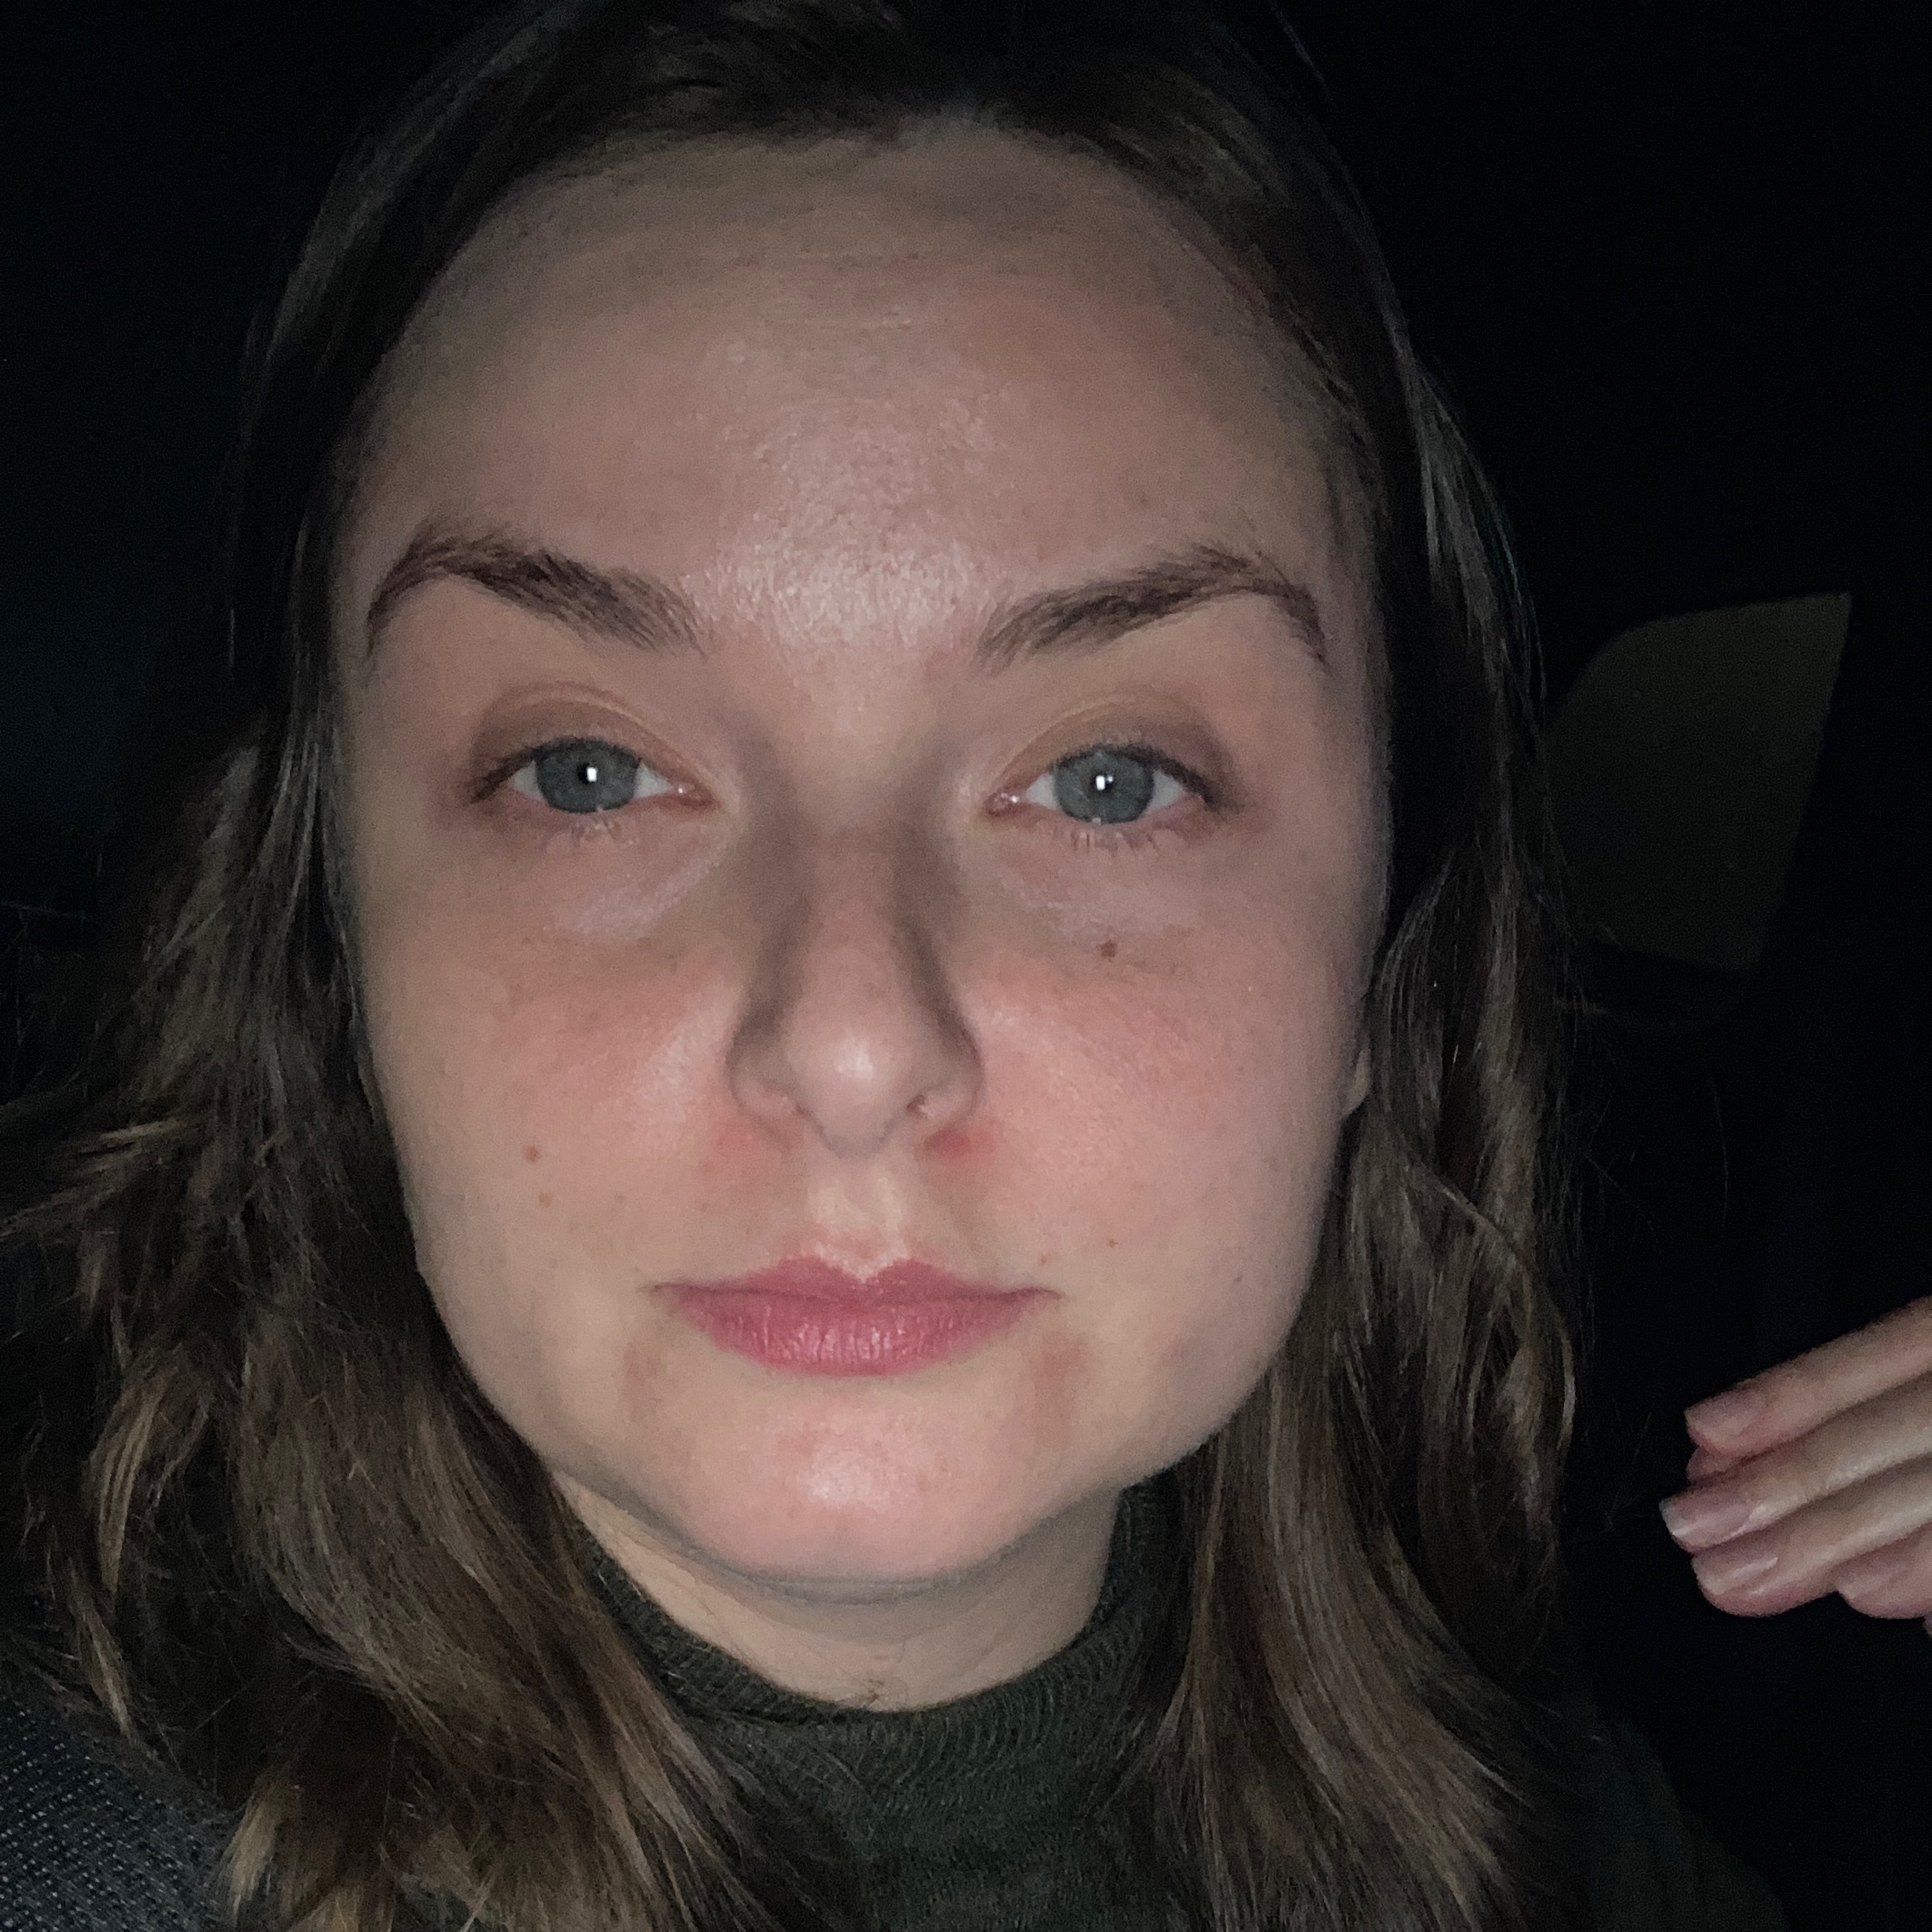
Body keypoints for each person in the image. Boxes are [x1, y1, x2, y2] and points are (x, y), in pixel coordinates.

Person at [15, 1, 1923, 1926]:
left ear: (1375, 950)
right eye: (585, 772)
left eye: (1107, 781)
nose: (851, 1041)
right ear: (330, 931)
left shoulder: (1549, 1838)